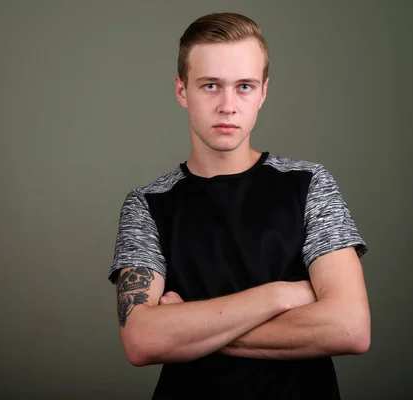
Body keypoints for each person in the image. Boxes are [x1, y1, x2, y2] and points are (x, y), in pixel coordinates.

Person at [107, 11, 370, 400]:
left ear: (263, 92)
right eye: (210, 85)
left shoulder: (309, 184)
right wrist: (280, 295)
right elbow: (142, 340)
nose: (228, 105)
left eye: (244, 86)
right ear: (182, 91)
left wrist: (187, 324)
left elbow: (350, 328)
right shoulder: (148, 205)